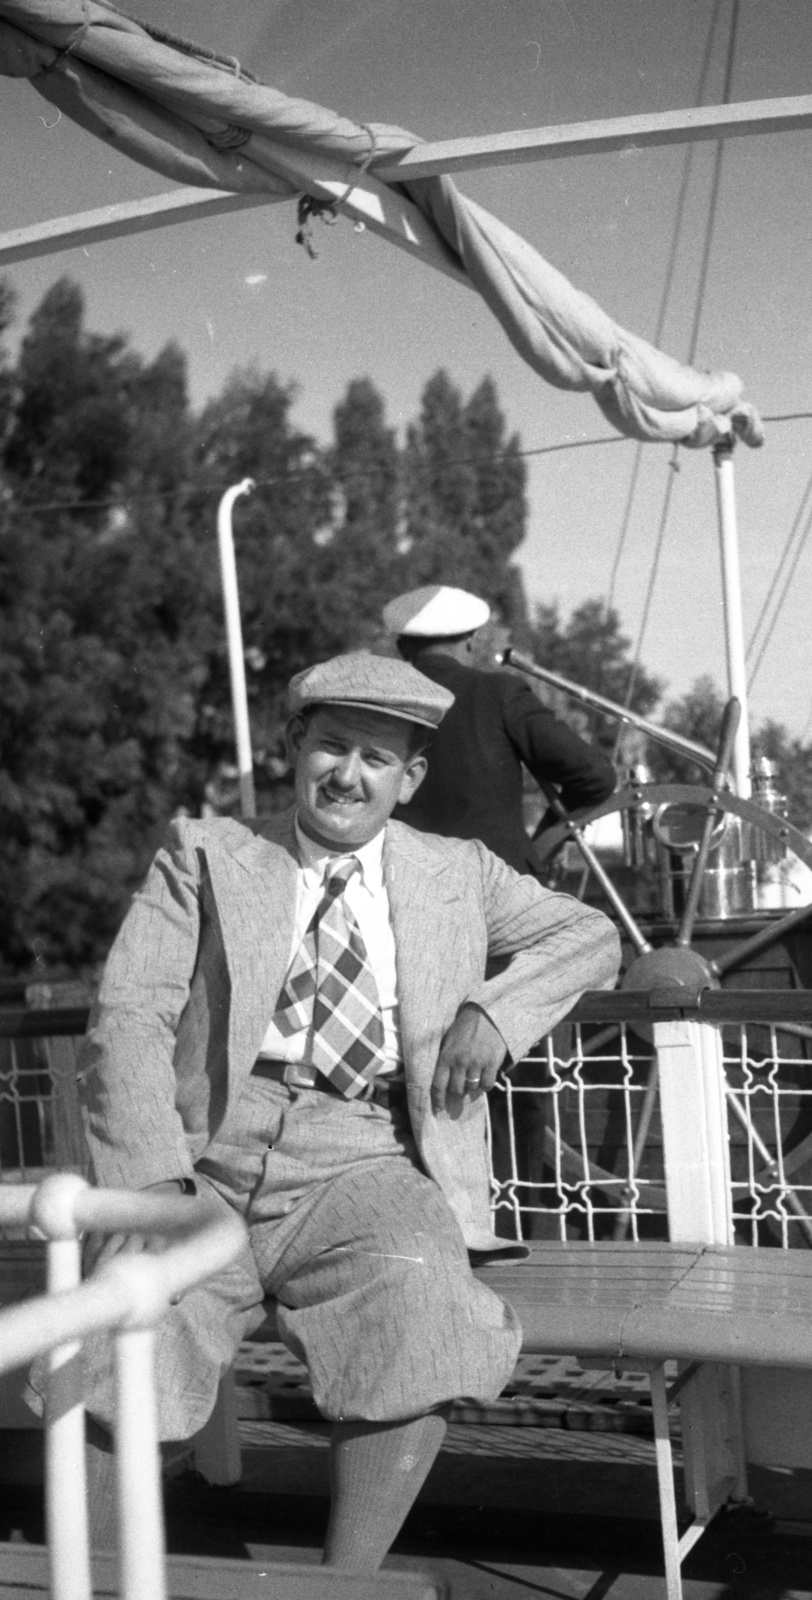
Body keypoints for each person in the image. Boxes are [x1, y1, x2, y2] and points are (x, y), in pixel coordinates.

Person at [70, 651, 620, 1572]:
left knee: (420, 1290)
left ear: (409, 781)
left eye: (377, 759)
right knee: (135, 1320)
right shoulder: (205, 854)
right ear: (295, 749)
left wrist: (496, 1011)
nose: (348, 775)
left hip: (364, 1152)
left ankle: (346, 1587)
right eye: (332, 747)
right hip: (207, 1149)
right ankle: (80, 1587)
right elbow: (128, 1013)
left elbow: (588, 933)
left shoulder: (462, 873)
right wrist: (150, 1179)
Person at [383, 585, 617, 875]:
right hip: (499, 888)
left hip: (398, 886)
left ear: (401, 647)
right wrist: (546, 840)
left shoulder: (375, 702)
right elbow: (596, 774)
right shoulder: (500, 694)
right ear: (470, 641)